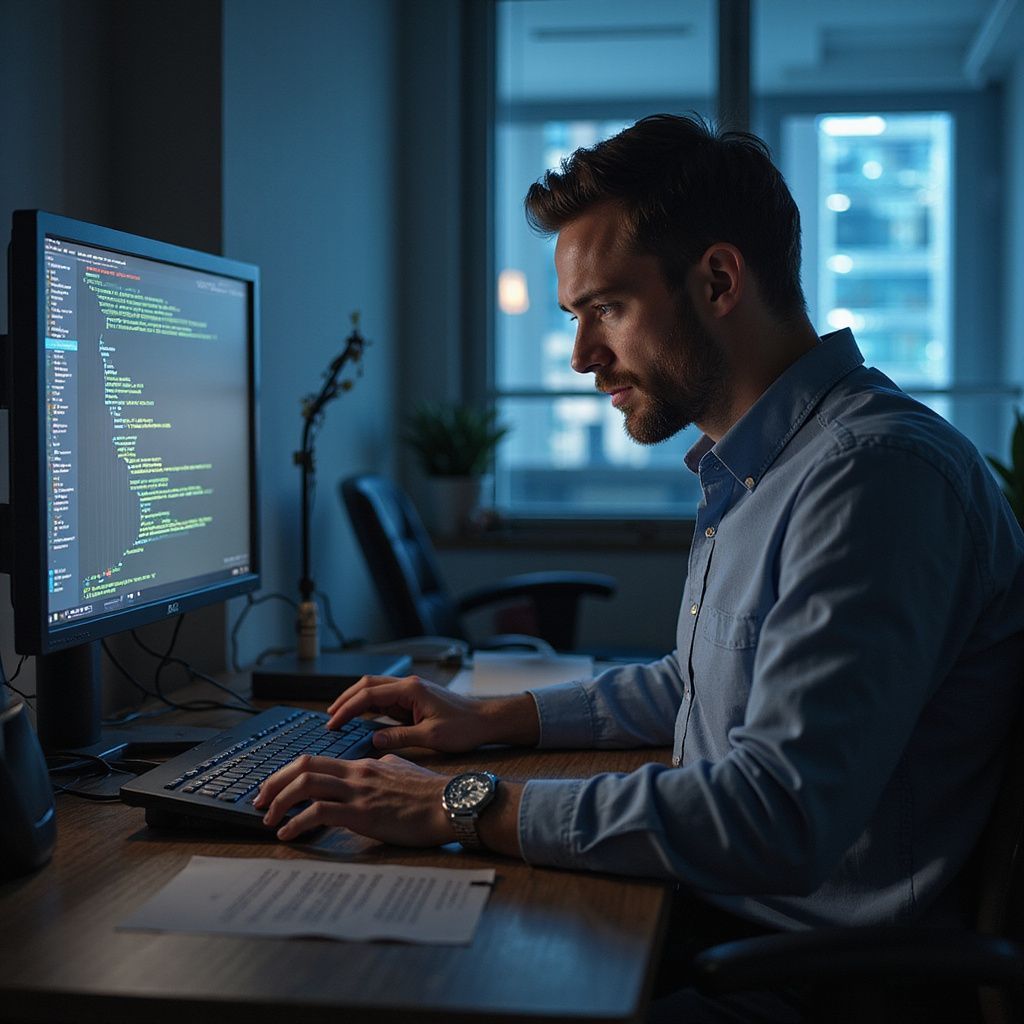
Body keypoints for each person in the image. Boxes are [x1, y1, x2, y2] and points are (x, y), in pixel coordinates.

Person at [255, 114, 1024, 1018]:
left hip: (803, 979)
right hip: (725, 922)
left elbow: (777, 814)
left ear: (719, 279)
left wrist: (461, 803)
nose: (583, 356)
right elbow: (700, 686)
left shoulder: (872, 478)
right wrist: (490, 720)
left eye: (605, 309)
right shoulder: (760, 461)